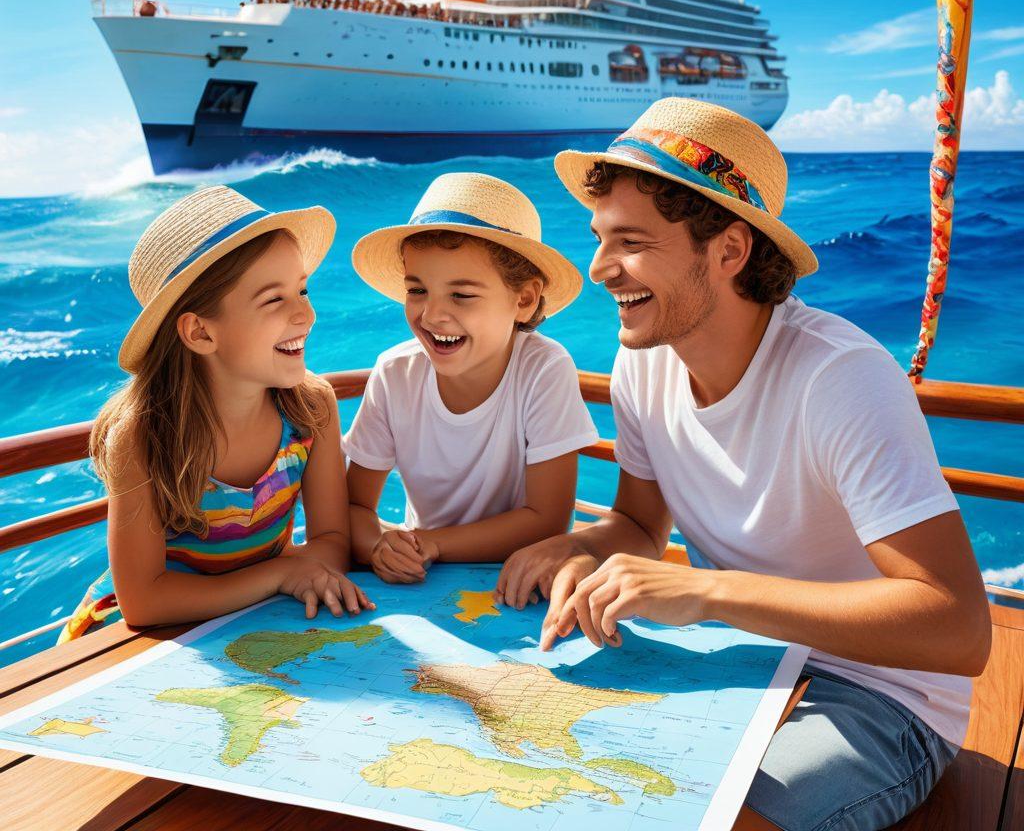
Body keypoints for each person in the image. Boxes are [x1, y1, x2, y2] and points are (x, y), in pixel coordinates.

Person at [496, 98, 991, 831]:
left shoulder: (840, 377)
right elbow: (639, 523)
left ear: (729, 251)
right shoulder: (642, 366)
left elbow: (958, 629)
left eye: (630, 242)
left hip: (880, 696)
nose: (598, 269)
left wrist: (707, 591)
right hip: (742, 658)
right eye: (600, 239)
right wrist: (576, 547)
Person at [59, 185, 371, 642]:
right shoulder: (144, 435)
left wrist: (288, 575)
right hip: (135, 637)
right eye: (275, 299)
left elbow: (333, 544)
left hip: (249, 619)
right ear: (201, 333)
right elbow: (143, 602)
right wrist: (280, 575)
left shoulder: (310, 409)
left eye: (302, 290)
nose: (306, 314)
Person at [343, 173, 598, 585]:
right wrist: (378, 546)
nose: (431, 315)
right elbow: (354, 507)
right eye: (417, 290)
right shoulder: (394, 374)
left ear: (524, 300)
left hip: (514, 579)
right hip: (422, 579)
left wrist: (432, 544)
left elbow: (547, 520)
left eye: (461, 295)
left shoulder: (544, 369)